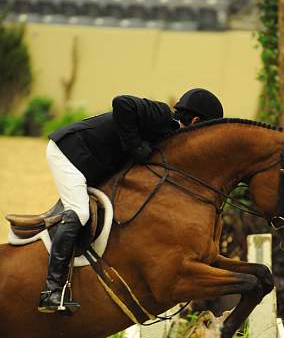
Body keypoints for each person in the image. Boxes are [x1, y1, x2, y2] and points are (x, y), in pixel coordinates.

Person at [38, 88, 224, 314]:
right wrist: (135, 146)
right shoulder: (162, 115)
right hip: (70, 152)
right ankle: (52, 290)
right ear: (195, 121)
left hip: (94, 161)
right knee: (80, 212)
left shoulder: (169, 136)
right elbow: (121, 102)